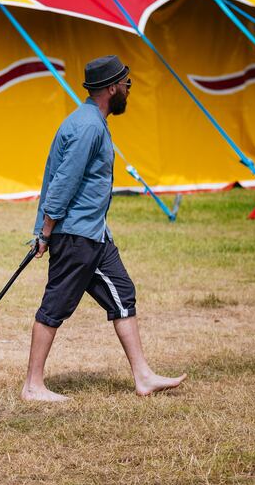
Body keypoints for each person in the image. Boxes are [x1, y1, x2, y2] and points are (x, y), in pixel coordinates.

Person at [23, 55, 187, 402]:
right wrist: (46, 231)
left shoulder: (90, 121)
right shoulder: (88, 127)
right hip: (76, 235)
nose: (129, 90)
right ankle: (32, 386)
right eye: (127, 84)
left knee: (122, 293)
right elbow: (63, 182)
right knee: (55, 307)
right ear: (112, 88)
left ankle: (143, 376)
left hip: (94, 234)